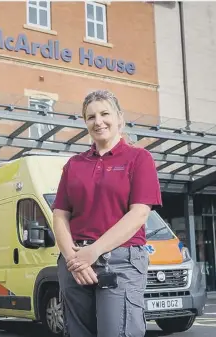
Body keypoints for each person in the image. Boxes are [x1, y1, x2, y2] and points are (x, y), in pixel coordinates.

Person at [52, 90, 162, 337]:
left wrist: (94, 251)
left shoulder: (139, 158)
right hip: (75, 264)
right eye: (91, 117)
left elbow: (139, 214)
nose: (98, 121)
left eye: (104, 114)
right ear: (85, 122)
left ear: (119, 118)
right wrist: (75, 259)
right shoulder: (74, 165)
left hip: (120, 262)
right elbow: (60, 215)